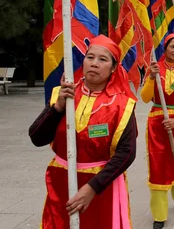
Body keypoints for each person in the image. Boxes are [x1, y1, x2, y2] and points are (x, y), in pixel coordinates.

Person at [29, 35, 136, 228]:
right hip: (61, 181)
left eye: (102, 59)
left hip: (101, 186)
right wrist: (57, 109)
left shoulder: (122, 105)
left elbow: (126, 154)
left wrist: (92, 188)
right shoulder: (63, 94)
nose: (94, 63)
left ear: (113, 68)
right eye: (90, 57)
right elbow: (37, 137)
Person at [140, 34, 174, 229]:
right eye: (172, 46)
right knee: (158, 167)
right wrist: (151, 78)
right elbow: (145, 98)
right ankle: (159, 215)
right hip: (157, 123)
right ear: (165, 48)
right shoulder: (155, 70)